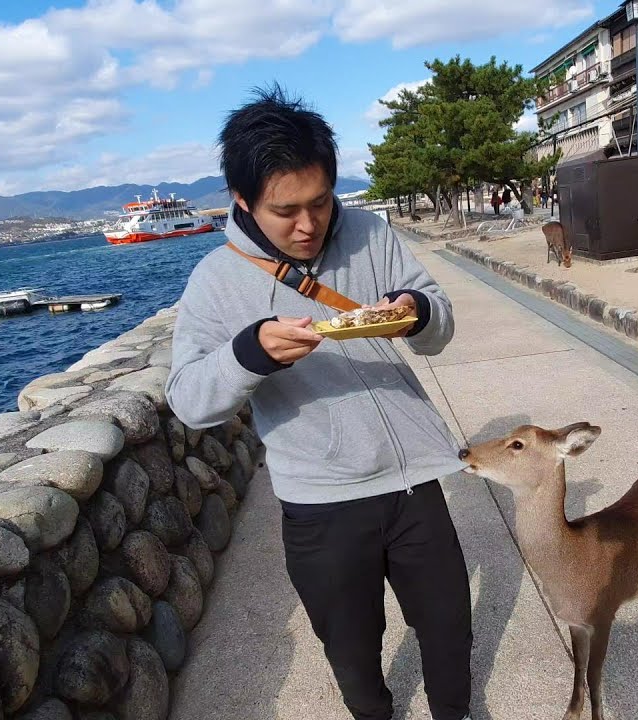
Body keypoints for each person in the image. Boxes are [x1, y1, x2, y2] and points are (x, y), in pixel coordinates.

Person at [166, 85, 473, 720]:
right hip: (321, 503)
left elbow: (438, 320)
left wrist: (414, 314)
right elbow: (189, 401)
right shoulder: (216, 282)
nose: (308, 225)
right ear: (243, 200)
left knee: (449, 634)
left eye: (321, 202)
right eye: (286, 211)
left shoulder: (370, 232)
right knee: (355, 657)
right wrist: (249, 353)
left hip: (416, 480)